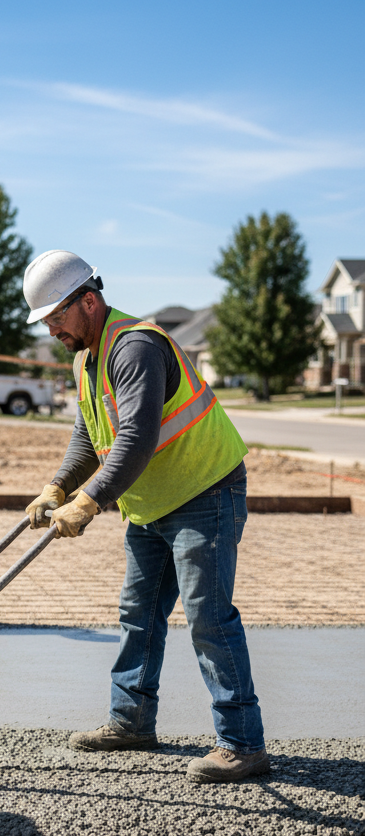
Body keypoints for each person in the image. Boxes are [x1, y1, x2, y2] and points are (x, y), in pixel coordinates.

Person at [22, 250, 267, 783]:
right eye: (45, 322)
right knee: (138, 614)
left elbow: (136, 438)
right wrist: (57, 486)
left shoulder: (134, 346)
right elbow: (91, 433)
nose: (51, 331)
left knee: (208, 618)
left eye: (56, 317)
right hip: (152, 504)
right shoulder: (87, 355)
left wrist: (87, 502)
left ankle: (243, 743)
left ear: (88, 301)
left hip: (205, 491)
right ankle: (131, 721)